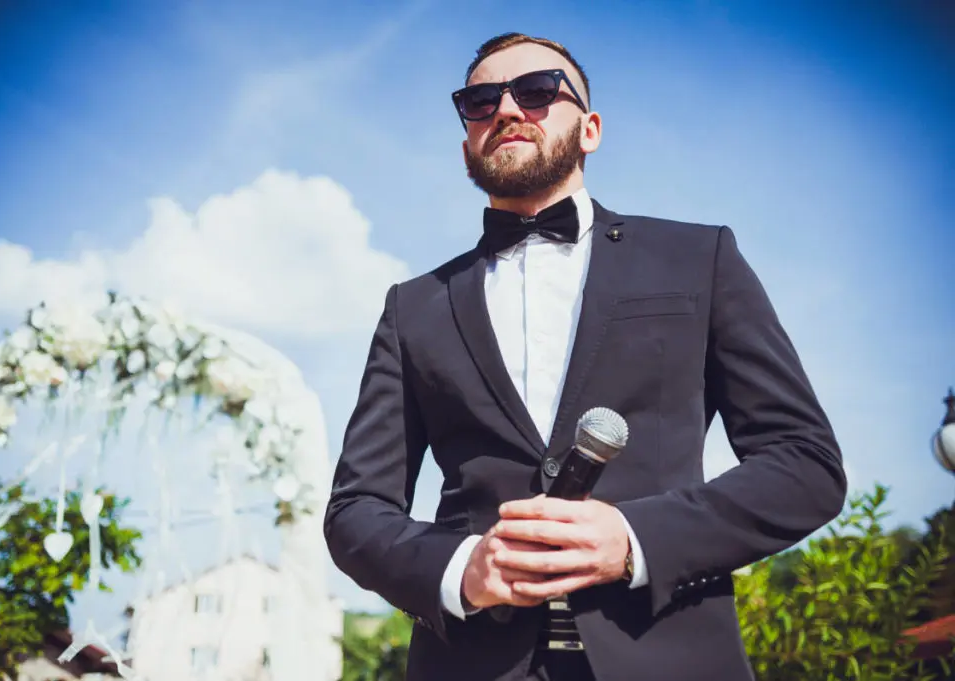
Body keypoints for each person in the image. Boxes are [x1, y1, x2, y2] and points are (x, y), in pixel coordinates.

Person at [323, 32, 847, 681]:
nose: (508, 110)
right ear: (466, 142)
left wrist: (634, 538)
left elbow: (805, 465)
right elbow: (356, 510)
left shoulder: (699, 259)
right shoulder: (414, 306)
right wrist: (460, 568)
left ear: (591, 128)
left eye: (538, 91)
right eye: (481, 101)